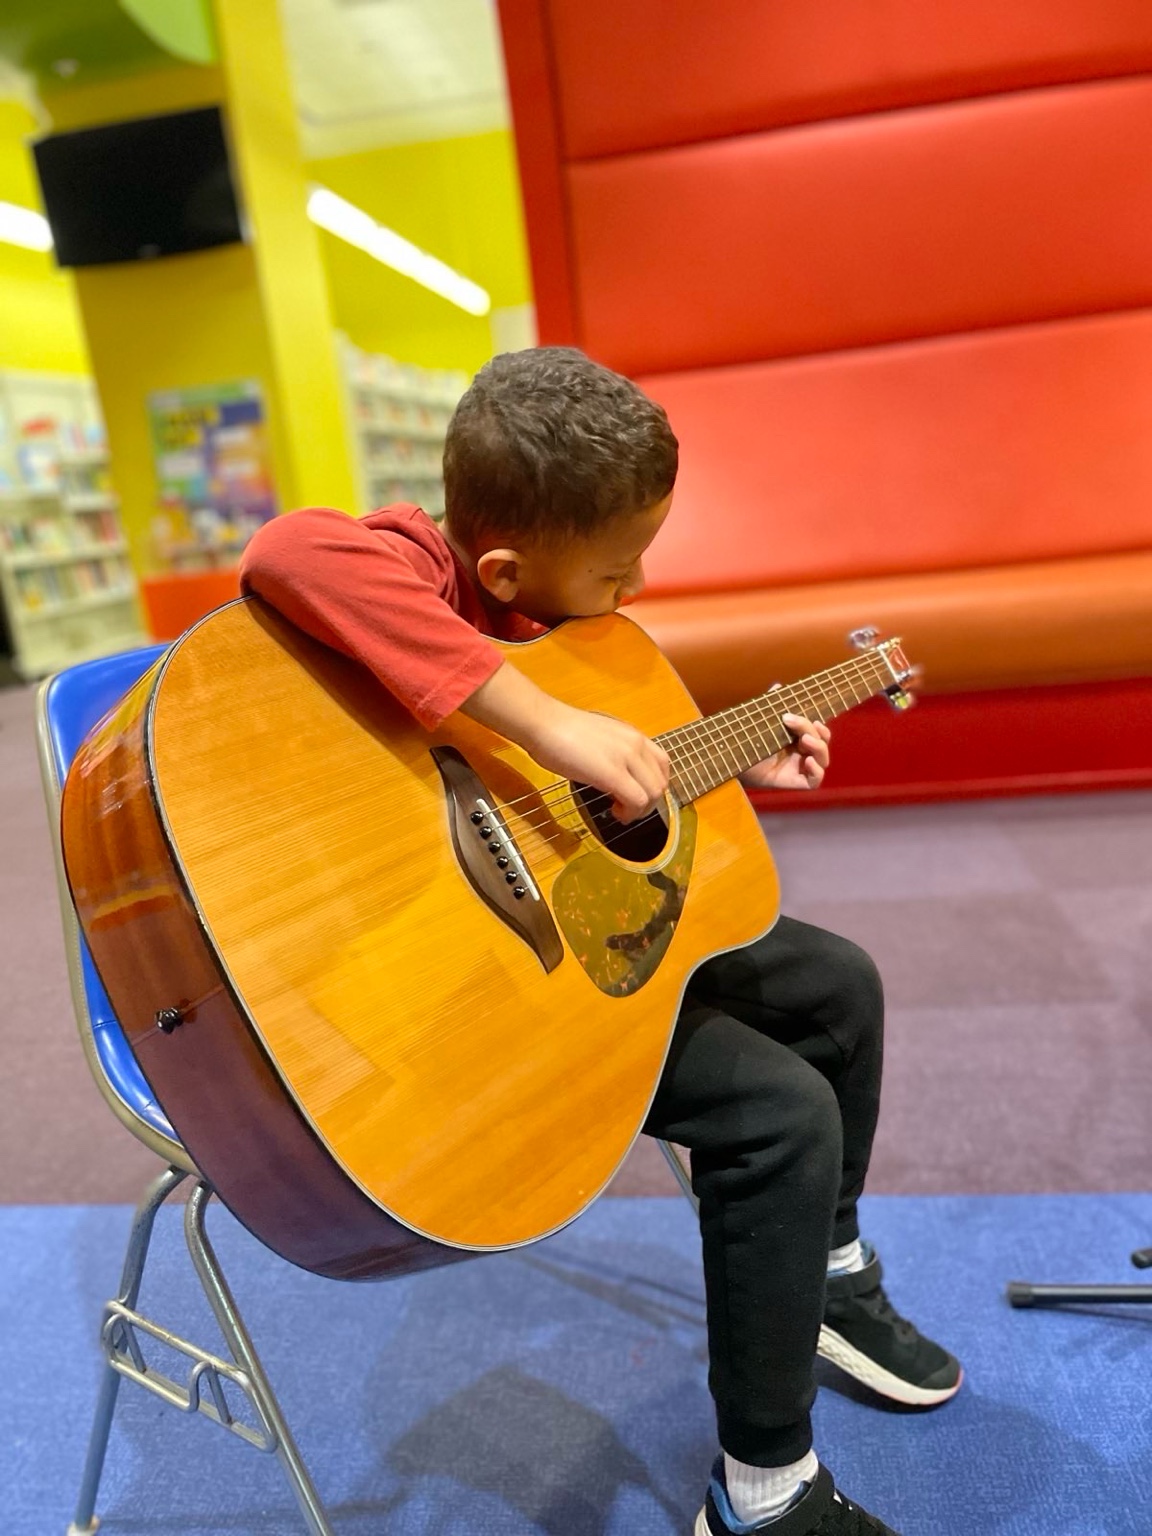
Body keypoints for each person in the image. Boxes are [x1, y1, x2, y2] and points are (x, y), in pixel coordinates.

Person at [240, 346, 961, 1536]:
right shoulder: (415, 563)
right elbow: (284, 552)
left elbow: (582, 808)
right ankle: (765, 1493)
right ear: (508, 566)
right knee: (783, 1112)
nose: (638, 583)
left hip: (572, 943)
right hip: (451, 991)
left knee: (838, 987)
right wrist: (549, 722)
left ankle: (829, 1281)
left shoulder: (547, 617)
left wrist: (725, 772)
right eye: (621, 566)